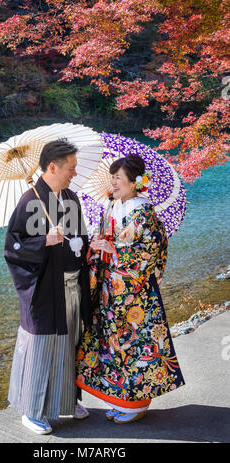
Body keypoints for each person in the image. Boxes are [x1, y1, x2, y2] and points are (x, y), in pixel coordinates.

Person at [75, 154, 185, 424]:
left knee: (135, 346)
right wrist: (98, 244)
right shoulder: (111, 206)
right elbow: (103, 242)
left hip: (136, 293)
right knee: (113, 346)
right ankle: (122, 400)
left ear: (134, 182)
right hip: (111, 291)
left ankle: (137, 404)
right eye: (112, 177)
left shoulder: (143, 210)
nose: (113, 182)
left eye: (118, 178)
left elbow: (150, 251)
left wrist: (112, 249)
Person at [4, 138, 92, 435]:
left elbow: (80, 237)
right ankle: (32, 411)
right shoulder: (31, 201)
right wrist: (43, 241)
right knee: (42, 347)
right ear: (52, 167)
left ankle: (67, 401)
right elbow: (12, 247)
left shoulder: (70, 197)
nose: (74, 174)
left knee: (70, 345)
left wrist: (88, 246)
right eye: (71, 168)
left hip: (72, 286)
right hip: (44, 290)